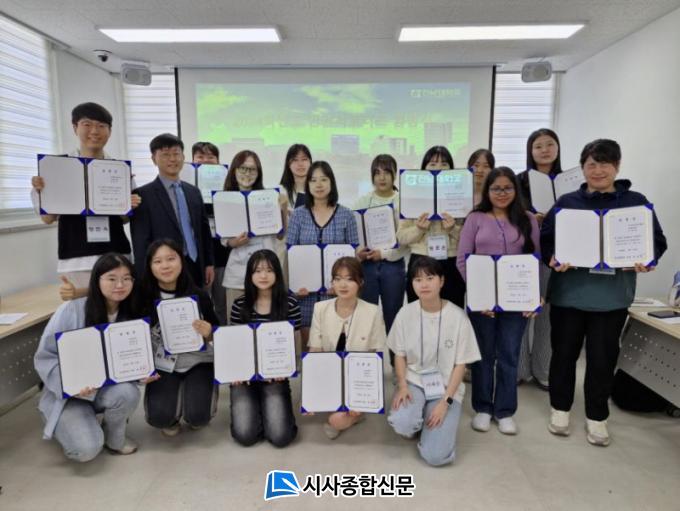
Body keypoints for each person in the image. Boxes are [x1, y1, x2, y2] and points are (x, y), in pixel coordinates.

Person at [541, 139, 667, 446]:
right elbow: (547, 238)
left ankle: (597, 417)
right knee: (564, 355)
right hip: (569, 295)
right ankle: (560, 408)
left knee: (602, 359)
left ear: (617, 166)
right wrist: (552, 258)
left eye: (605, 164)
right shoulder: (567, 202)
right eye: (591, 164)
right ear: (582, 168)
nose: (598, 170)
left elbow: (657, 241)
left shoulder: (635, 202)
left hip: (611, 299)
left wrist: (647, 259)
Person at [33, 253, 150, 462]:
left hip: (104, 390)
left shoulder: (132, 315)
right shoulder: (71, 310)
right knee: (86, 450)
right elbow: (45, 357)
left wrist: (141, 373)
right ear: (97, 280)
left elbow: (127, 361)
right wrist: (71, 385)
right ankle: (66, 421)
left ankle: (114, 439)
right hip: (69, 396)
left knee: (128, 392)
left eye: (126, 278)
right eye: (112, 278)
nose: (120, 285)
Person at [457, 167, 541, 435]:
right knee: (482, 355)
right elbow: (462, 260)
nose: (502, 193)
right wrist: (479, 295)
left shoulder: (528, 219)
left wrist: (534, 296)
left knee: (509, 355)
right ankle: (483, 408)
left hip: (516, 301)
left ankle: (505, 411)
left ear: (515, 190)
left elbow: (535, 260)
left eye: (507, 188)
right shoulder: (475, 218)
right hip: (482, 303)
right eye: (496, 188)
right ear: (487, 191)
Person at [30, 102, 141, 301]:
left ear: (109, 131)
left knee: (119, 309)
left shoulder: (120, 170)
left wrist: (129, 205)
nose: (94, 131)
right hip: (76, 258)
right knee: (82, 310)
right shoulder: (56, 167)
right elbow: (47, 219)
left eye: (101, 126)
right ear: (75, 127)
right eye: (87, 124)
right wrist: (41, 191)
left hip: (116, 254)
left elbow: (124, 219)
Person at [387, 256, 480, 466]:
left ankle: (429, 423)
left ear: (442, 281)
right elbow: (399, 354)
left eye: (430, 278)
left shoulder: (458, 317)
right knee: (403, 423)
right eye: (418, 279)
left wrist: (445, 402)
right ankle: (417, 419)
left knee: (436, 456)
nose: (424, 284)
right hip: (414, 381)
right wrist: (402, 386)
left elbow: (461, 365)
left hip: (446, 387)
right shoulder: (405, 313)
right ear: (412, 284)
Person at [140, 239, 220, 436]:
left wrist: (210, 332)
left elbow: (218, 331)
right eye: (158, 261)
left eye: (171, 259)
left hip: (198, 361)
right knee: (159, 418)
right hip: (163, 365)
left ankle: (196, 403)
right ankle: (171, 414)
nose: (165, 266)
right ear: (149, 266)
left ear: (181, 261)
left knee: (198, 417)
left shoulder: (199, 295)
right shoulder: (141, 298)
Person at [308, 257, 386, 439]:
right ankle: (344, 409)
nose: (343, 284)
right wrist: (310, 395)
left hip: (358, 378)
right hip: (330, 374)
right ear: (332, 282)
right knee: (333, 413)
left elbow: (374, 357)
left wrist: (361, 395)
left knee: (336, 420)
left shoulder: (373, 311)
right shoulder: (320, 308)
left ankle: (356, 412)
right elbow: (315, 353)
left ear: (361, 282)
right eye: (338, 278)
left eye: (350, 279)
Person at [229, 249, 301, 447]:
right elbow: (235, 344)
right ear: (249, 275)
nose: (263, 276)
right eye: (257, 271)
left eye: (269, 270)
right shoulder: (239, 304)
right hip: (245, 376)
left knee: (280, 437)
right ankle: (258, 405)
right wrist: (236, 372)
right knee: (245, 436)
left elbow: (294, 343)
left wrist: (285, 369)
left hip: (275, 375)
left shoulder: (290, 303)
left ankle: (265, 406)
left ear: (277, 273)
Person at [286, 161, 360, 345]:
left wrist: (342, 285)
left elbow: (354, 258)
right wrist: (294, 288)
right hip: (305, 297)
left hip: (337, 295)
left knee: (336, 349)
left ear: (331, 182)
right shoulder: (298, 215)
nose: (318, 185)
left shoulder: (346, 215)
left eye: (323, 179)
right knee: (309, 351)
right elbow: (290, 255)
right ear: (307, 185)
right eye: (313, 180)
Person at [131, 133, 214, 288]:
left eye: (176, 154)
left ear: (183, 157)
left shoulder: (194, 192)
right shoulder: (143, 195)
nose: (172, 159)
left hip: (196, 265)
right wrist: (144, 278)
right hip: (163, 270)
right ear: (154, 159)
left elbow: (204, 231)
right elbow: (141, 241)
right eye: (165, 155)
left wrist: (208, 263)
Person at [516, 129, 563, 388]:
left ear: (557, 148)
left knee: (547, 314)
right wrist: (528, 218)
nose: (544, 150)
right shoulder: (518, 181)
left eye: (549, 144)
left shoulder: (569, 182)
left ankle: (543, 369)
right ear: (530, 151)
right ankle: (521, 369)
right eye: (538, 146)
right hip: (523, 255)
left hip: (555, 256)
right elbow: (507, 214)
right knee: (520, 312)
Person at [352, 154, 407, 364]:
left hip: (393, 266)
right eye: (377, 173)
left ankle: (397, 364)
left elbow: (405, 241)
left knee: (394, 317)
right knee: (367, 318)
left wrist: (383, 254)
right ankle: (367, 365)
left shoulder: (402, 201)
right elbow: (354, 234)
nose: (381, 177)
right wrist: (360, 252)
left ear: (394, 175)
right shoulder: (362, 201)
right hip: (367, 266)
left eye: (386, 172)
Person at [220, 150, 287, 322]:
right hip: (238, 275)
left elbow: (280, 235)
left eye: (252, 169)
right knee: (237, 326)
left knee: (270, 323)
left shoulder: (269, 197)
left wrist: (282, 210)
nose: (247, 173)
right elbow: (225, 241)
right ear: (234, 170)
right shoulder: (223, 200)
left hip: (266, 274)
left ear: (258, 173)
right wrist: (235, 242)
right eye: (243, 168)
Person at [396, 146, 466, 307]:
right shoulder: (409, 196)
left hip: (451, 261)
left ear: (451, 168)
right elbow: (401, 237)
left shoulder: (461, 195)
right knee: (419, 314)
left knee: (452, 312)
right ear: (424, 168)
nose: (438, 168)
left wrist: (453, 229)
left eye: (444, 164)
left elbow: (469, 239)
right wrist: (419, 229)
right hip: (420, 261)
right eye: (433, 164)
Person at [192, 142, 229, 324]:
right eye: (200, 157)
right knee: (201, 304)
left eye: (211, 157)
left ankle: (223, 336)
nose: (205, 161)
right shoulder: (187, 190)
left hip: (223, 256)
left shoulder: (227, 189)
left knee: (222, 305)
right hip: (199, 259)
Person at [279, 144, 312, 212]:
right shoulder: (280, 191)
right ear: (288, 164)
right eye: (295, 160)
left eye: (304, 159)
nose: (300, 164)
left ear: (310, 162)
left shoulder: (318, 189)